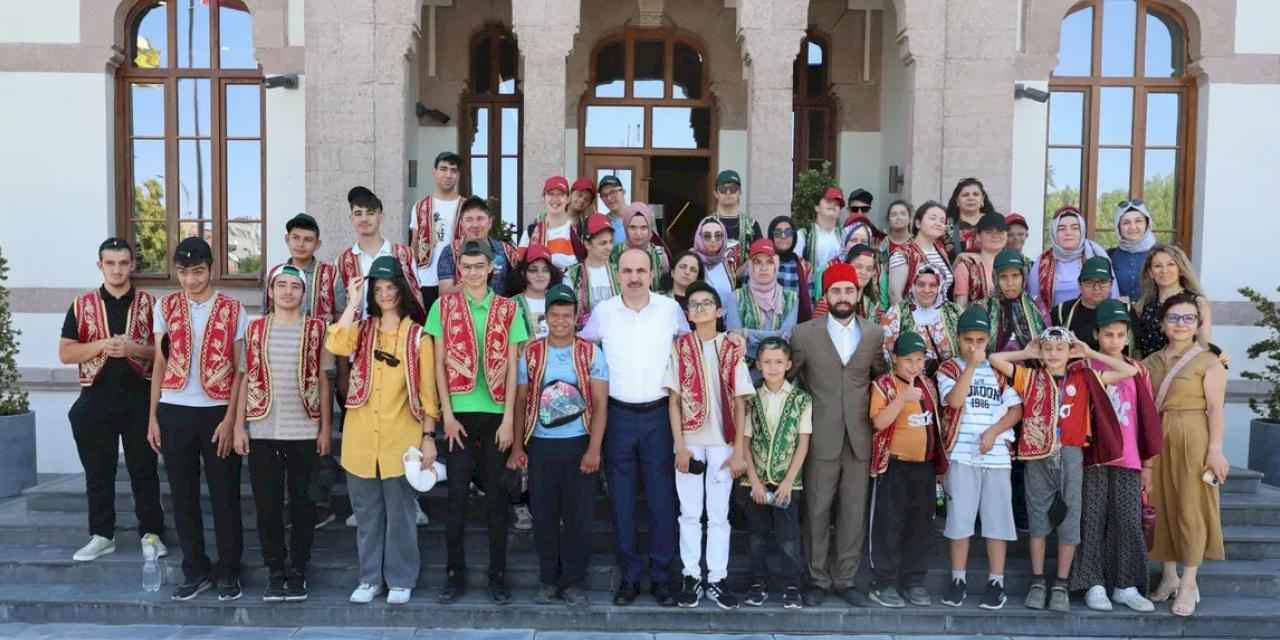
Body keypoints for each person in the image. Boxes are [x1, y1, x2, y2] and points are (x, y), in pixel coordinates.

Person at [989, 326, 1135, 613]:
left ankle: (1061, 583)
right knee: (1038, 519)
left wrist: (1090, 352)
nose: (1054, 354)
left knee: (1070, 520)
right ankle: (1038, 580)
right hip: (1038, 455)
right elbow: (995, 359)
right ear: (1041, 353)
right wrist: (1026, 353)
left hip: (1070, 453)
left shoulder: (1085, 376)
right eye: (1048, 349)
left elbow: (1127, 371)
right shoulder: (1030, 377)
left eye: (1060, 348)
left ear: (1070, 352)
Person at [579, 249, 690, 607]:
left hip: (660, 416)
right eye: (627, 270)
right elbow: (581, 350)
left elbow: (691, 350)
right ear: (617, 272)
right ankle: (629, 577)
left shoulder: (670, 310)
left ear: (652, 272)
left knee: (661, 501)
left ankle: (660, 577)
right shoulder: (604, 313)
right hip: (618, 417)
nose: (634, 277)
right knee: (622, 502)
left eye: (641, 270)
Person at [326, 257, 438, 606]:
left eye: (390, 288)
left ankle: (401, 578)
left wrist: (428, 437)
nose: (385, 294)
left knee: (402, 516)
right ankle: (370, 578)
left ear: (402, 290)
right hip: (360, 440)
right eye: (379, 289)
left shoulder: (418, 336)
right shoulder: (361, 329)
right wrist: (354, 303)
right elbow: (336, 344)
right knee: (367, 515)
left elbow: (428, 394)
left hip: (401, 440)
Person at [146, 237, 250, 602]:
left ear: (211, 269)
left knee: (225, 495)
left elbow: (241, 370)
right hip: (174, 409)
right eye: (184, 272)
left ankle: (229, 569)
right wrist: (153, 417)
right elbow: (159, 363)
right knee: (182, 494)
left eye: (198, 272)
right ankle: (195, 569)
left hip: (217, 410)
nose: (190, 280)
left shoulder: (234, 308)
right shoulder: (165, 306)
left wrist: (231, 419)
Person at [426, 239, 530, 604]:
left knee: (497, 501)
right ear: (460, 271)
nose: (471, 273)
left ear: (491, 269)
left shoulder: (507, 308)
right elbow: (437, 364)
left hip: (496, 418)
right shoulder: (444, 306)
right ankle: (454, 576)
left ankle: (497, 577)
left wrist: (507, 422)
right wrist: (447, 417)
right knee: (455, 500)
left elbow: (516, 369)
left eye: (478, 266)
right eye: (465, 267)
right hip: (459, 418)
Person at [59, 238, 165, 563]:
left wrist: (134, 349)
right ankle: (102, 535)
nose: (117, 269)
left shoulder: (152, 304)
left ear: (132, 265)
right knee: (98, 472)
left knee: (144, 471)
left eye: (123, 263)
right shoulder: (81, 304)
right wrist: (103, 344)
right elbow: (66, 352)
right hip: (95, 399)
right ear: (100, 265)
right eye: (111, 263)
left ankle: (151, 533)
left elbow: (166, 353)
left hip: (139, 399)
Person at [788, 262, 887, 607]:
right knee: (816, 509)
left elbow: (882, 379)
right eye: (836, 290)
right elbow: (790, 381)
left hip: (860, 437)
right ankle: (816, 579)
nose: (843, 297)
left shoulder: (874, 334)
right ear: (825, 295)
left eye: (848, 290)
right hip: (818, 437)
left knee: (853, 510)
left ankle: (845, 579)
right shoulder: (804, 334)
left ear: (858, 293)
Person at [235, 266, 333, 603]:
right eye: (282, 286)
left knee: (303, 505)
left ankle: (299, 570)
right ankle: (275, 570)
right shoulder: (255, 329)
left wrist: (325, 430)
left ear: (304, 295)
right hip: (263, 430)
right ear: (271, 291)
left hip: (304, 430)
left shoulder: (317, 329)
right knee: (267, 506)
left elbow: (323, 378)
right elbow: (245, 377)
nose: (288, 292)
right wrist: (238, 426)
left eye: (295, 287)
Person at [507, 284, 608, 608]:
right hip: (541, 445)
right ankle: (548, 579)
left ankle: (575, 581)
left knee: (579, 516)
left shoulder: (590, 352)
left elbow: (600, 404)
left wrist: (594, 449)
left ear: (576, 317)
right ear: (546, 317)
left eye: (567, 315)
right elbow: (522, 400)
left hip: (578, 444)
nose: (561, 320)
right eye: (555, 315)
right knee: (544, 516)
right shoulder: (532, 353)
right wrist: (518, 447)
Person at [1070, 299, 1161, 613]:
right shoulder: (1083, 368)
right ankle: (1093, 583)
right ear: (1096, 334)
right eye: (1108, 334)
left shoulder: (1139, 370)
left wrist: (1148, 463)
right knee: (1092, 520)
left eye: (1120, 334)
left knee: (1128, 521)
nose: (1114, 340)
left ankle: (1126, 584)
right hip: (1093, 457)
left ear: (1128, 336)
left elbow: (1146, 417)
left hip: (1129, 457)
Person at [666, 282, 753, 610]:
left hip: (722, 444)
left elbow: (742, 402)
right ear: (687, 313)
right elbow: (673, 400)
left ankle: (717, 577)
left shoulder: (732, 349)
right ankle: (691, 575)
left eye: (707, 303)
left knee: (718, 515)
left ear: (719, 311)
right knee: (689, 513)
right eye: (695, 304)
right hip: (690, 441)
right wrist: (679, 446)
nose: (701, 308)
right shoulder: (680, 347)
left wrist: (739, 451)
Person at [1144, 291, 1229, 618]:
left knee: (1190, 507)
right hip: (1158, 435)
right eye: (1173, 318)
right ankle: (1169, 576)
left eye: (1187, 318)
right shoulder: (1151, 360)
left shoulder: (1210, 360)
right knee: (1161, 504)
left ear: (1197, 324)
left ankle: (1190, 581)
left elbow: (1215, 410)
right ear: (1163, 324)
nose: (1180, 324)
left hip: (1193, 433)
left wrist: (1216, 450)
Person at [936, 306, 1023, 611]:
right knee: (959, 522)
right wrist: (971, 366)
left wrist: (994, 432)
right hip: (961, 455)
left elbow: (1016, 409)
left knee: (997, 522)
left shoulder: (999, 370)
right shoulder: (949, 368)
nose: (974, 346)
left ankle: (995, 582)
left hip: (996, 456)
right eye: (968, 339)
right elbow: (955, 401)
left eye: (980, 340)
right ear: (958, 338)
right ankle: (958, 579)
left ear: (988, 339)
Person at [867, 331, 949, 608]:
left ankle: (914, 581)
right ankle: (885, 582)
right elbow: (878, 423)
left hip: (923, 468)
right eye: (908, 360)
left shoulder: (927, 384)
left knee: (920, 527)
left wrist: (939, 465)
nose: (914, 366)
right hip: (894, 466)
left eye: (919, 360)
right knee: (889, 525)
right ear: (895, 359)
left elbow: (934, 425)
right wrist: (901, 400)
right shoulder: (884, 385)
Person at [737, 337, 811, 610]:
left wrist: (789, 481)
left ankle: (792, 586)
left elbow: (803, 442)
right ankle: (758, 584)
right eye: (767, 362)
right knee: (757, 536)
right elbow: (744, 442)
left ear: (789, 364)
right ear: (758, 365)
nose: (773, 367)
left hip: (788, 483)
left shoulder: (801, 400)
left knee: (789, 538)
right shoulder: (750, 399)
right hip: (754, 481)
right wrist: (754, 482)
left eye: (779, 362)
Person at [336, 188, 424, 317]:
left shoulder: (404, 254)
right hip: (358, 333)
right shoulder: (343, 261)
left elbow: (415, 298)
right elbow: (339, 309)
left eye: (370, 213)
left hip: (397, 332)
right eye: (358, 213)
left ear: (381, 217)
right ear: (351, 218)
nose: (364, 219)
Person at [1029, 206, 1118, 309]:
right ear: (1054, 233)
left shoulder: (1096, 256)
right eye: (1061, 228)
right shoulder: (1042, 262)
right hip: (1053, 322)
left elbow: (1113, 294)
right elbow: (1034, 300)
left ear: (1082, 231)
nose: (1068, 233)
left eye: (1075, 228)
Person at [1134, 244, 1214, 358]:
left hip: (1182, 371)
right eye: (1157, 266)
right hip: (1150, 370)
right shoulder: (1143, 305)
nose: (1164, 270)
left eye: (1170, 264)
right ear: (1150, 273)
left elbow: (1205, 344)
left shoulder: (1198, 302)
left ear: (1180, 270)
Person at [880, 265, 961, 376]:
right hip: (909, 382)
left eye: (933, 285)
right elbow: (886, 354)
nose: (926, 290)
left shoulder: (954, 312)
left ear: (940, 286)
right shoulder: (897, 313)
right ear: (913, 285)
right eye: (921, 284)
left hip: (950, 381)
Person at [409, 151, 465, 314]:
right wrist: (413, 279)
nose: (448, 174)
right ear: (434, 172)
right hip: (425, 280)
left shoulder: (466, 207)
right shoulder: (420, 206)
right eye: (443, 169)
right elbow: (414, 244)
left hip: (456, 280)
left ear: (458, 175)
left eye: (453, 170)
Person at [263, 213, 339, 321]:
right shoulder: (275, 274)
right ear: (287, 239)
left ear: (317, 244)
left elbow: (342, 316)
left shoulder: (332, 275)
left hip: (322, 337)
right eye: (295, 238)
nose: (300, 244)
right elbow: (266, 314)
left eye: (308, 239)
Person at [436, 196, 518, 296]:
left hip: (499, 309)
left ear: (490, 222)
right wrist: (475, 279)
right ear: (461, 224)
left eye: (480, 219)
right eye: (469, 219)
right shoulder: (451, 252)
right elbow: (444, 294)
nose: (475, 225)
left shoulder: (505, 250)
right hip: (462, 310)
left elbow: (519, 287)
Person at [735, 239, 798, 367]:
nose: (764, 268)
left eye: (769, 262)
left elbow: (784, 337)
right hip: (746, 372)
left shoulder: (791, 298)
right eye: (757, 262)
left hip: (779, 370)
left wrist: (747, 333)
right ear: (750, 266)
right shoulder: (735, 297)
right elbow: (735, 337)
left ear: (776, 265)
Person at [888, 201, 953, 307]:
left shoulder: (941, 249)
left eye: (942, 221)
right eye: (933, 218)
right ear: (918, 223)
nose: (938, 223)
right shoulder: (903, 254)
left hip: (942, 318)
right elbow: (895, 296)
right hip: (915, 318)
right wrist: (908, 321)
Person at [1051, 256, 1122, 351]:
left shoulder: (1125, 311)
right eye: (1089, 282)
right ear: (1079, 284)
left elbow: (1136, 353)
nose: (1096, 287)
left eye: (1103, 282)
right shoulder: (1061, 312)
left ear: (1111, 284)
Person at [985, 249, 1049, 354]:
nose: (1010, 283)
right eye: (1003, 277)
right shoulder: (986, 307)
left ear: (1023, 277)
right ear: (995, 278)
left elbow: (1047, 345)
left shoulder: (1036, 306)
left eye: (1015, 276)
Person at [566, 213, 620, 329]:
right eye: (603, 243)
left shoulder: (619, 271)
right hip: (584, 340)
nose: (609, 247)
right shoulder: (572, 275)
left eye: (611, 242)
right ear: (587, 244)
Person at [521, 176, 585, 269]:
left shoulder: (578, 231)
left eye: (560, 194)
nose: (555, 198)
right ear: (544, 198)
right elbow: (519, 268)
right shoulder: (530, 232)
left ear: (568, 199)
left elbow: (584, 267)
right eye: (551, 194)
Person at [692, 216, 742, 330]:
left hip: (724, 328)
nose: (713, 240)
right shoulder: (691, 261)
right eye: (707, 236)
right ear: (699, 238)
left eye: (718, 235)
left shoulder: (729, 262)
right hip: (697, 327)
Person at [797, 187, 846, 301]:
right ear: (816, 207)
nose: (833, 205)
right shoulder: (803, 235)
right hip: (811, 297)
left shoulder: (844, 235)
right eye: (829, 201)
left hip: (839, 297)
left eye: (837, 203)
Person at [507, 244, 564, 341]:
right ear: (523, 273)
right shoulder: (511, 304)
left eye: (545, 270)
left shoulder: (561, 301)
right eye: (533, 270)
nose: (540, 275)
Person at [953, 213, 1009, 307]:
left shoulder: (1014, 264)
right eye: (989, 232)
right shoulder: (966, 267)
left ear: (1006, 235)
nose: (995, 236)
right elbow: (960, 309)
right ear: (978, 236)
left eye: (1000, 231)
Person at [610, 202, 669, 289]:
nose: (638, 233)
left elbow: (664, 288)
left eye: (643, 227)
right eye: (633, 227)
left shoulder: (659, 254)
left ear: (650, 228)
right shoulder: (614, 253)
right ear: (625, 228)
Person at [767, 215, 814, 321]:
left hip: (796, 327)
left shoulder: (804, 266)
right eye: (778, 233)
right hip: (765, 326)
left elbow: (810, 302)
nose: (783, 236)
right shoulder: (761, 262)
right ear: (771, 236)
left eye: (788, 232)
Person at [1108, 200, 1157, 302]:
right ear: (1118, 227)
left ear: (1147, 224)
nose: (1133, 227)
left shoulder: (1162, 253)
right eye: (1126, 222)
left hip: (1155, 315)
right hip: (1120, 315)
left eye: (1138, 221)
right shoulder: (1110, 255)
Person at [711, 169, 762, 265]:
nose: (728, 192)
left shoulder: (752, 225)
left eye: (733, 188)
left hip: (745, 278)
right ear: (716, 193)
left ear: (740, 192)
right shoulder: (707, 224)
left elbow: (759, 256)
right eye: (723, 189)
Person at [945, 177, 998, 258]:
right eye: (965, 195)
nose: (971, 198)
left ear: (982, 199)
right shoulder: (947, 226)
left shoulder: (994, 222)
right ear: (957, 201)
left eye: (975, 194)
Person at [598, 175, 629, 242]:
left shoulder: (639, 216)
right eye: (604, 195)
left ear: (623, 192)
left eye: (613, 192)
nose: (609, 198)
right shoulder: (603, 223)